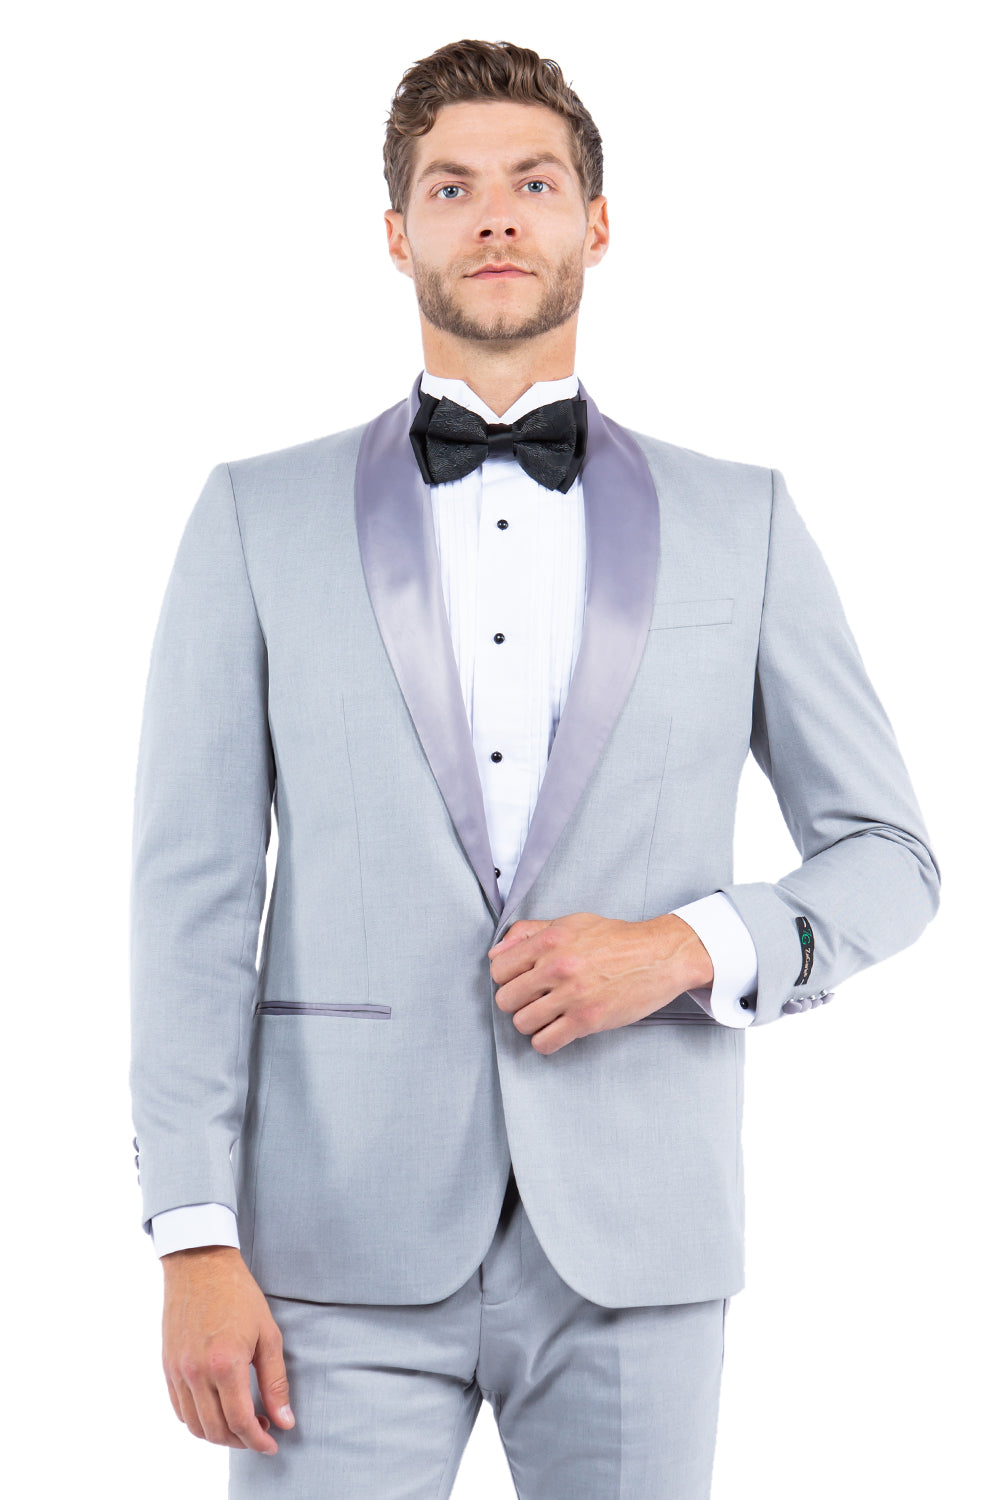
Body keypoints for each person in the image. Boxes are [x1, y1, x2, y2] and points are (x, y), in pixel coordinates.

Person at [128, 37, 941, 1499]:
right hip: (332, 1248)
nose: (496, 215)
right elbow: (191, 899)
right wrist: (192, 1233)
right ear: (397, 233)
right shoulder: (253, 518)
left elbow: (891, 857)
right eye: (451, 187)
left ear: (598, 224)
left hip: (642, 1243)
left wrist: (685, 947)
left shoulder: (744, 521)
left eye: (535, 182)